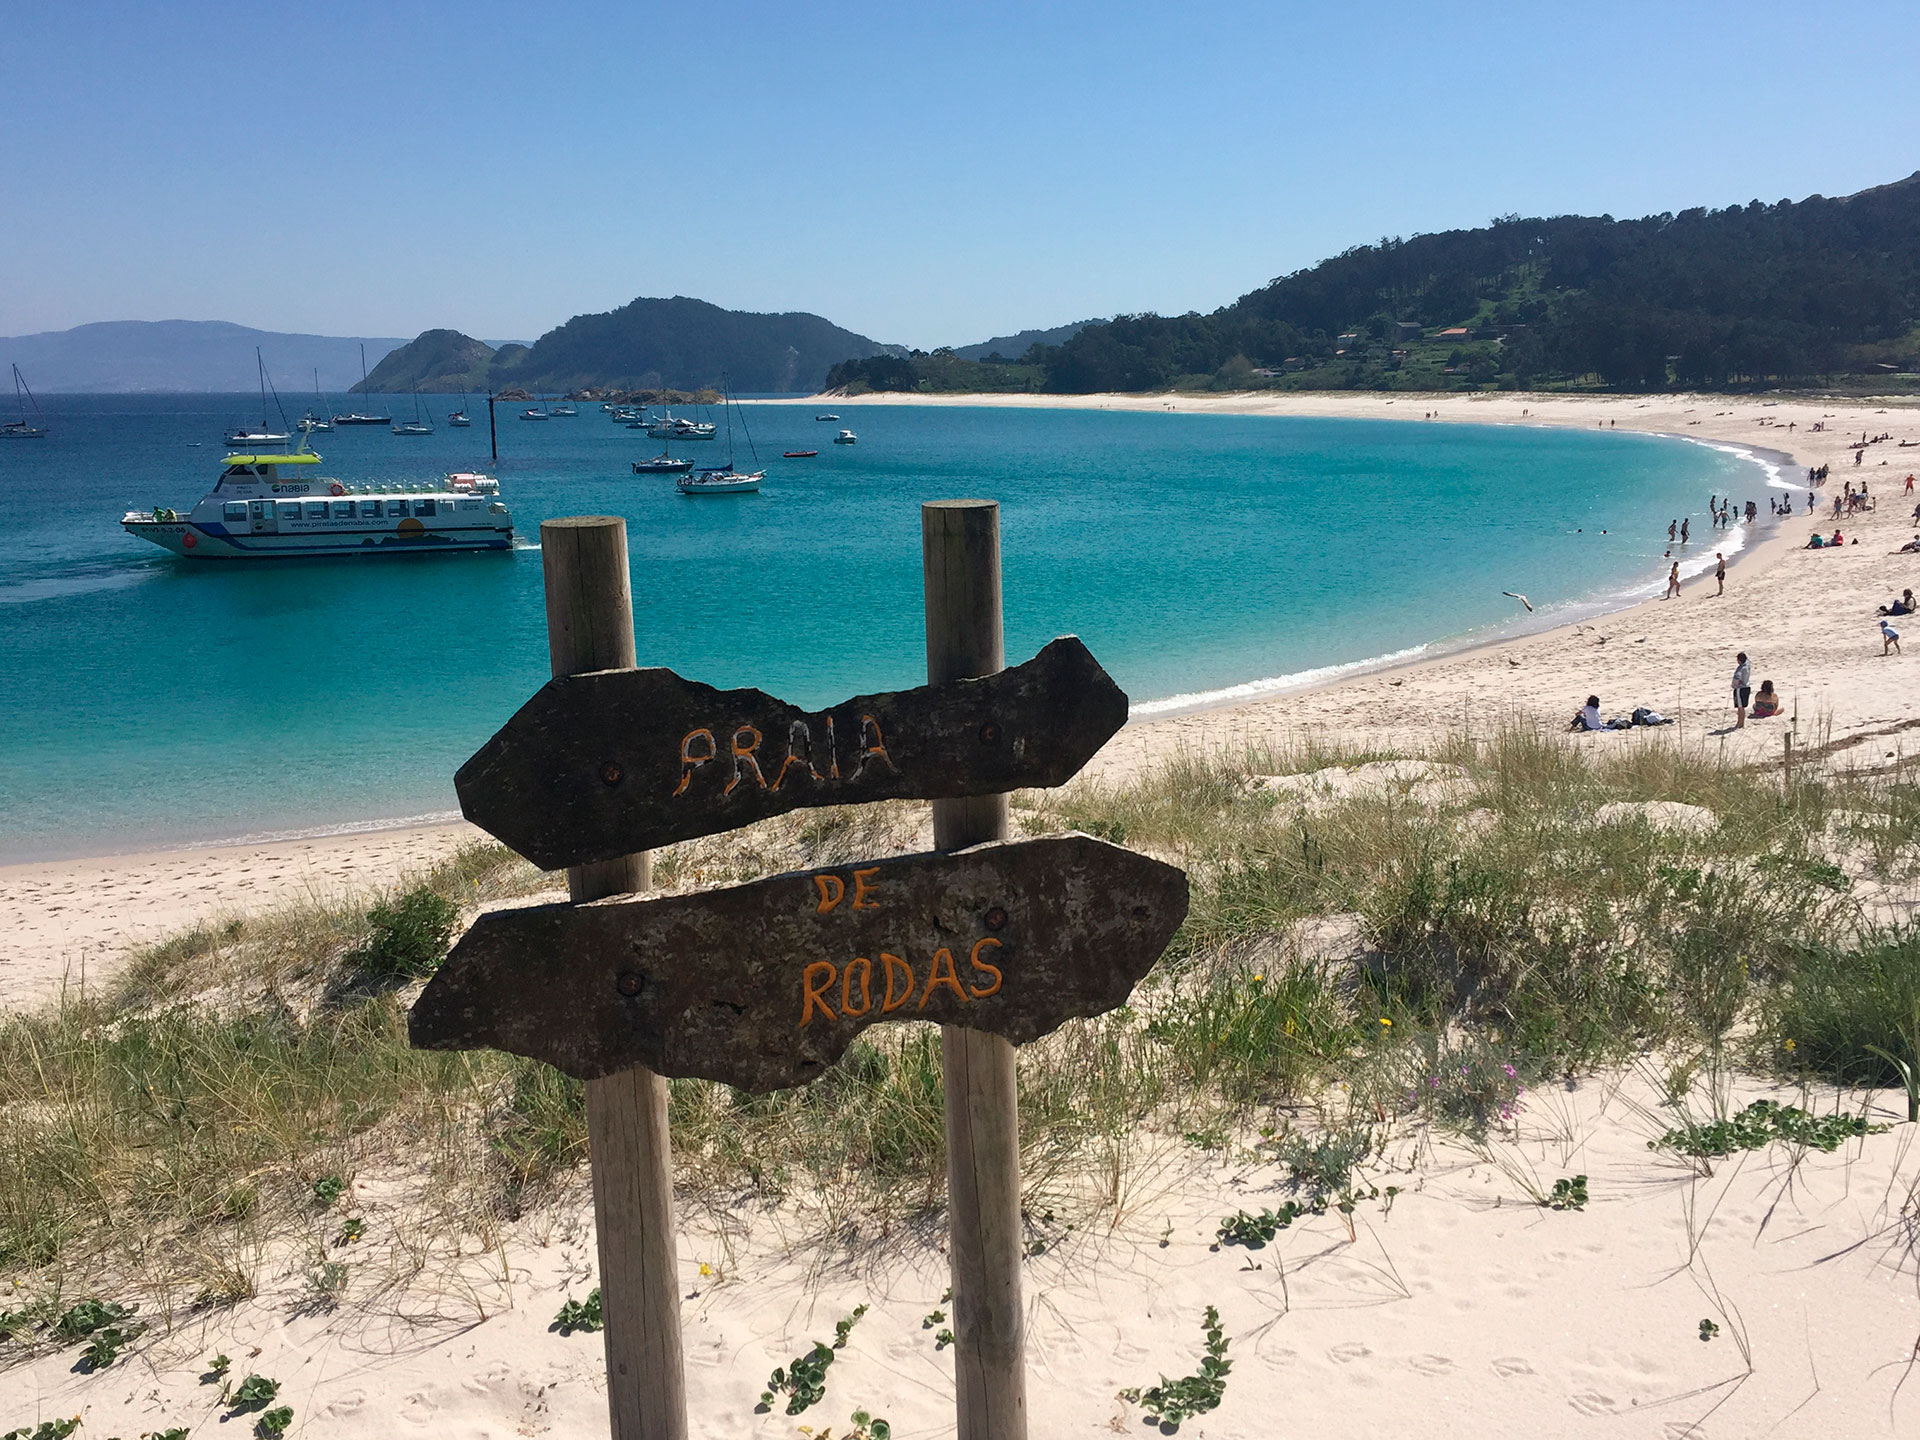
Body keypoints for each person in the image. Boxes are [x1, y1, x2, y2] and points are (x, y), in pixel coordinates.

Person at [1732, 651, 1751, 728]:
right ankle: (1740, 723)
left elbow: (1737, 678)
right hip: (1747, 687)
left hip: (1740, 688)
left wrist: (1734, 685)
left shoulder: (1741, 669)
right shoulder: (1747, 665)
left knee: (1740, 707)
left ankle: (1740, 723)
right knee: (1742, 706)